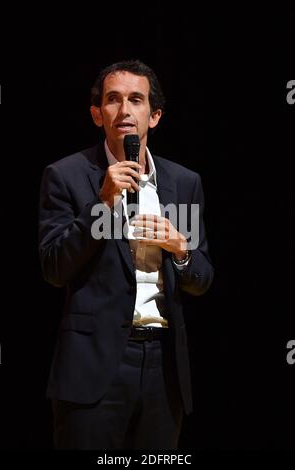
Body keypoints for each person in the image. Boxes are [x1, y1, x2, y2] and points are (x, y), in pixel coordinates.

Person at [38, 59, 214, 450]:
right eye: (113, 100)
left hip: (164, 367)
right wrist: (102, 204)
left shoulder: (184, 183)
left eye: (136, 100)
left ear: (154, 116)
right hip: (95, 366)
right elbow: (53, 268)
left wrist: (181, 250)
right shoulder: (66, 175)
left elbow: (202, 277)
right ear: (97, 115)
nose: (124, 110)